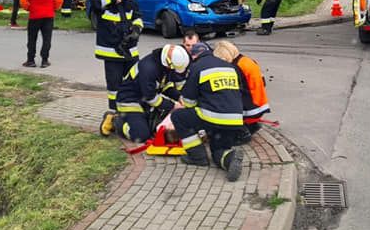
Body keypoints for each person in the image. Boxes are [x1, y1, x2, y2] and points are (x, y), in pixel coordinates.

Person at [170, 42, 244, 181]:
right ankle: (230, 158)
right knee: (217, 150)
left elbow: (189, 101)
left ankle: (197, 157)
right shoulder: (230, 67)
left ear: (194, 57)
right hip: (235, 119)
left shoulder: (197, 67)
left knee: (179, 117)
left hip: (213, 117)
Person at [104, 44, 191, 143]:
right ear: (168, 62)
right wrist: (173, 105)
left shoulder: (163, 66)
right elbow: (150, 97)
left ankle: (140, 120)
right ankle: (115, 121)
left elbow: (165, 86)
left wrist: (178, 97)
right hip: (129, 101)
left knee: (153, 129)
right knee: (141, 135)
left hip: (144, 101)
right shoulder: (148, 68)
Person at [91, 0, 143, 121]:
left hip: (130, 51)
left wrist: (136, 29)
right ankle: (115, 113)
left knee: (135, 80)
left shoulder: (131, 2)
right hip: (112, 53)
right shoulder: (105, 2)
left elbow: (137, 17)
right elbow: (94, 0)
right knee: (114, 85)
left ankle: (134, 108)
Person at [213, 40, 270, 141]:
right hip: (260, 103)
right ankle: (251, 125)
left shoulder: (235, 68)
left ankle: (242, 132)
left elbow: (233, 93)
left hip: (251, 109)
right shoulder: (247, 60)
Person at [20, 0, 63, 68]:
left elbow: (23, 1)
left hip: (34, 16)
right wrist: (53, 8)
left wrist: (29, 8)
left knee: (32, 39)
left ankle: (30, 60)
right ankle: (44, 60)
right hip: (48, 16)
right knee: (47, 39)